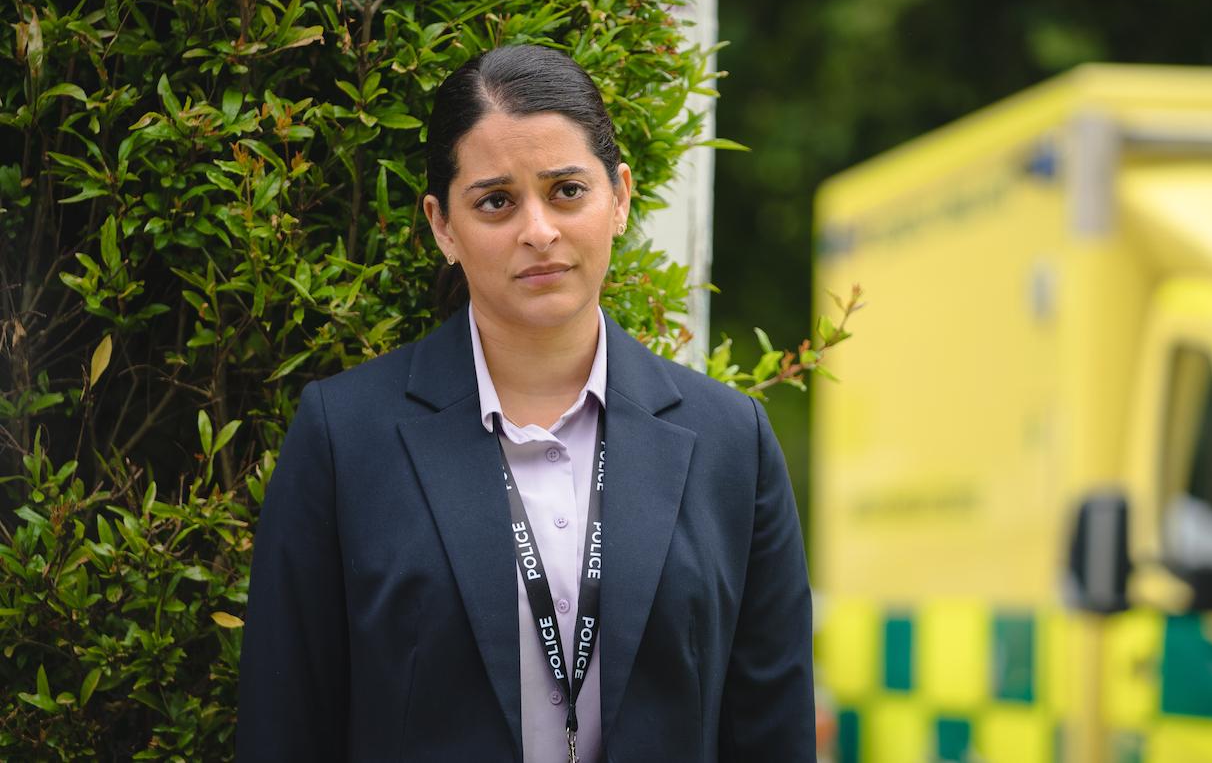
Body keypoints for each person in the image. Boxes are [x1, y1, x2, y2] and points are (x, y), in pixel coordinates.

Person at [235, 44, 815, 762]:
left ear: (620, 198)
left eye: (567, 190)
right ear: (443, 225)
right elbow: (285, 726)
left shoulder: (731, 441)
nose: (538, 230)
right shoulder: (345, 437)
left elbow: (771, 730)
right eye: (496, 201)